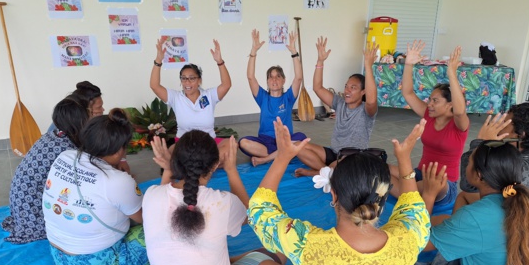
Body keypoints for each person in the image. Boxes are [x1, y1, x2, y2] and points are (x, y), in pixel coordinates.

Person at [250, 117, 430, 265]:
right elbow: (414, 209)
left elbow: (261, 210)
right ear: (384, 199)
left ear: (333, 194)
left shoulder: (307, 244)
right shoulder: (407, 241)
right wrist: (405, 159)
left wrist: (282, 157)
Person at [142, 131, 283, 265]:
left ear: (175, 163)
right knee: (278, 253)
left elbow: (165, 193)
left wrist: (168, 169)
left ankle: (231, 262)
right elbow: (248, 214)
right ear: (215, 165)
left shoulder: (151, 196)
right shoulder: (220, 203)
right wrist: (232, 170)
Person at [43, 109, 148, 265]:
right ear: (118, 151)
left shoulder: (64, 156)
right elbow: (146, 219)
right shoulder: (118, 181)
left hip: (59, 258)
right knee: (169, 228)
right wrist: (167, 171)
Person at [2, 94, 90, 244]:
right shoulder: (67, 151)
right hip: (33, 214)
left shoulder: (53, 136)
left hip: (21, 206)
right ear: (79, 122)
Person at [389, 41, 469, 205]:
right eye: (430, 99)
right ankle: (407, 193)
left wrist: (451, 73)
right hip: (420, 173)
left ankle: (406, 194)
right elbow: (408, 92)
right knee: (381, 171)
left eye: (435, 100)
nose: (429, 103)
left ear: (450, 105)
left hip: (443, 184)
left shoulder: (459, 125)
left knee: (410, 188)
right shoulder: (428, 115)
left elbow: (460, 111)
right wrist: (409, 64)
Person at [456, 103, 529, 223]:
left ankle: (456, 235)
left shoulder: (522, 166)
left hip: (521, 234)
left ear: (520, 134)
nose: (499, 126)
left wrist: (481, 143)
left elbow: (468, 183)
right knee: (464, 196)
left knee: (466, 195)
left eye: (505, 122)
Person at [294, 37, 379, 177]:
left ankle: (323, 172)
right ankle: (325, 173)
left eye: (353, 88)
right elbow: (317, 87)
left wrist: (368, 66)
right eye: (346, 86)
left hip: (354, 157)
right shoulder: (340, 103)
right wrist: (320, 61)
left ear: (363, 92)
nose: (347, 90)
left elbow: (371, 100)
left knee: (336, 165)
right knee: (298, 146)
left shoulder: (367, 110)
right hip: (334, 153)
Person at [238, 29, 307, 166]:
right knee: (243, 142)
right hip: (265, 141)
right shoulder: (262, 97)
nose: (274, 80)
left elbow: (298, 77)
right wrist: (253, 52)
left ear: (283, 80)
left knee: (302, 138)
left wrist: (294, 52)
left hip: (285, 140)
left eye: (278, 77)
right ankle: (283, 154)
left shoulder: (288, 97)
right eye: (271, 77)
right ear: (267, 81)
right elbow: (250, 77)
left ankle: (266, 159)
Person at [150, 38, 231, 154]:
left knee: (231, 145)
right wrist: (158, 61)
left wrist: (220, 62)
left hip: (208, 142)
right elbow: (154, 86)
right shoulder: (175, 97)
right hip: (184, 143)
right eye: (184, 78)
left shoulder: (209, 95)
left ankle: (200, 164)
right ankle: (208, 164)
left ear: (199, 81)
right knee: (169, 153)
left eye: (192, 78)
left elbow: (226, 85)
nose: (187, 82)